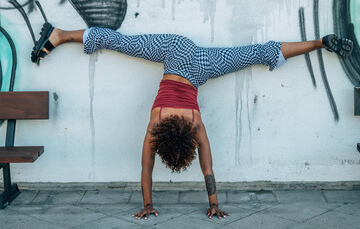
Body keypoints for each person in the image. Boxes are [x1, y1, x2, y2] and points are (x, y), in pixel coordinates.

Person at [31, 22, 353, 220]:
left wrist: (214, 203)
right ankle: (318, 43)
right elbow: (146, 168)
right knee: (120, 41)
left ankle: (318, 43)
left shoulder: (195, 125)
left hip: (200, 67)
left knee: (255, 52)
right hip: (178, 54)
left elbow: (208, 170)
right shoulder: (155, 124)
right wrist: (147, 203)